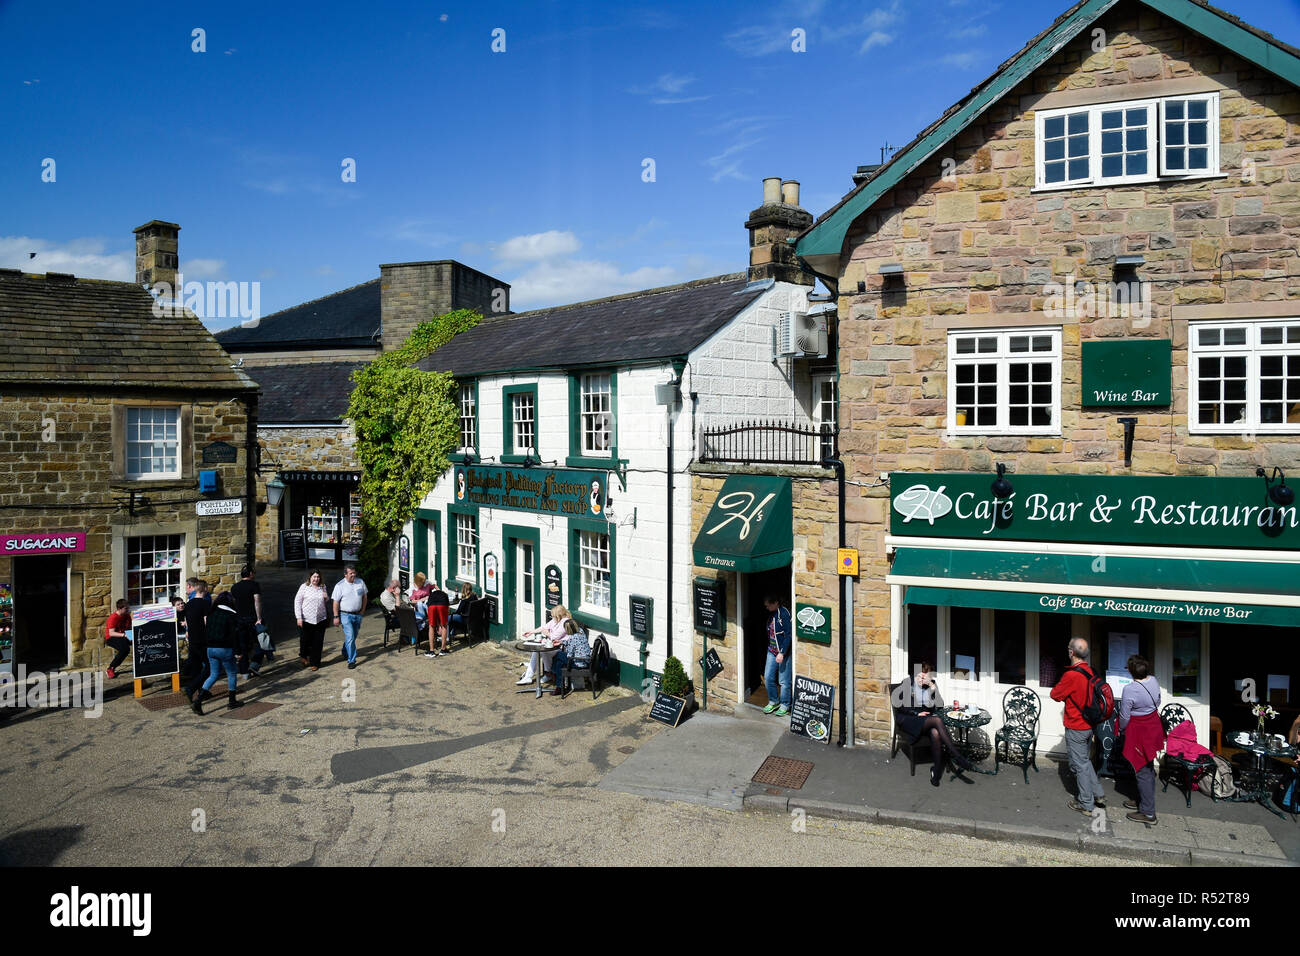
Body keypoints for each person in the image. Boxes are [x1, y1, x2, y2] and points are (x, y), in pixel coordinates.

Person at [1050, 637, 1107, 817]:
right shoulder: (1090, 671)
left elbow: (1055, 694)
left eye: (1069, 648)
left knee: (1080, 765)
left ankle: (1086, 803)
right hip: (1089, 724)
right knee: (1085, 761)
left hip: (1076, 725)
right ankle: (1098, 794)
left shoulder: (1072, 675)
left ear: (1071, 652)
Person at [893, 667, 976, 787]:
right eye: (919, 676)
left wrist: (933, 688)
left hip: (925, 720)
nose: (921, 679)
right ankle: (957, 756)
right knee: (937, 720)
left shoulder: (931, 685)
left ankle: (936, 773)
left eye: (925, 677)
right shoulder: (907, 683)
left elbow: (940, 706)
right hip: (909, 719)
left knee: (935, 733)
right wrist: (916, 713)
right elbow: (899, 706)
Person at [1118, 654, 1164, 827]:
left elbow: (1124, 716)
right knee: (1148, 766)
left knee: (1142, 770)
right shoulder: (1154, 680)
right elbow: (1158, 701)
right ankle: (1143, 800)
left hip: (1139, 730)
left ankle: (1148, 812)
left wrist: (1121, 729)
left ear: (1131, 672)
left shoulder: (1130, 689)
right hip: (1153, 725)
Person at [192, 591, 242, 714]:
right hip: (225, 649)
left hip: (210, 649)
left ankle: (198, 701)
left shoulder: (211, 613)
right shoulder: (231, 615)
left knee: (213, 675)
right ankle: (232, 701)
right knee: (232, 673)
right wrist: (238, 652)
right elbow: (234, 636)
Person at [517, 605, 570, 686]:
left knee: (543, 652)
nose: (552, 618)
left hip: (561, 648)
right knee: (536, 651)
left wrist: (547, 633)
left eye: (554, 616)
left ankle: (548, 673)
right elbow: (544, 627)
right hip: (552, 646)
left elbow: (555, 637)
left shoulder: (565, 622)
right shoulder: (555, 620)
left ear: (558, 616)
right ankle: (529, 676)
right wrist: (531, 632)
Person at [231, 565, 268, 678]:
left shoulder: (234, 587)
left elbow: (234, 603)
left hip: (239, 619)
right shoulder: (254, 585)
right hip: (252, 619)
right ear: (251, 574)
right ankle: (254, 665)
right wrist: (259, 618)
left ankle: (244, 673)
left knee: (243, 645)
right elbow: (257, 601)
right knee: (263, 642)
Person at [180, 581, 212, 703]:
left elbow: (187, 622)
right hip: (203, 640)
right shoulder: (205, 604)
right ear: (204, 589)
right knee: (210, 667)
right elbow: (207, 622)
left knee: (196, 668)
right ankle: (191, 688)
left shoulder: (188, 604)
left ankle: (201, 691)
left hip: (192, 640)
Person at [761, 595, 793, 717]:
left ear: (775, 603)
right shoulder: (772, 614)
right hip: (772, 650)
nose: (766, 607)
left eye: (768, 605)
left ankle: (785, 704)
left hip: (783, 653)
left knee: (784, 681)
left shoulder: (784, 614)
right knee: (768, 677)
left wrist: (782, 652)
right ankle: (774, 701)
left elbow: (788, 635)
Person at [331, 565, 368, 670]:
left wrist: (363, 611)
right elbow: (335, 602)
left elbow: (365, 597)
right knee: (351, 636)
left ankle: (345, 650)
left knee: (352, 637)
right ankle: (351, 660)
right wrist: (336, 616)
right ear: (345, 574)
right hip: (345, 615)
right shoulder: (340, 586)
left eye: (354, 572)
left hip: (358, 614)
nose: (353, 575)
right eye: (351, 573)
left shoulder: (360, 582)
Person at [294, 570, 330, 671]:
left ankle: (315, 663)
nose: (316, 579)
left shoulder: (323, 586)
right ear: (310, 577)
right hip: (306, 619)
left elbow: (326, 600)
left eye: (318, 577)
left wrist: (326, 597)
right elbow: (297, 601)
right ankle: (304, 656)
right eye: (314, 577)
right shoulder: (304, 587)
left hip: (320, 619)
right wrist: (299, 617)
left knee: (318, 642)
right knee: (305, 641)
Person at [550, 618, 591, 697]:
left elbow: (569, 655)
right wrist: (561, 642)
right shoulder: (580, 631)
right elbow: (574, 644)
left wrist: (563, 647)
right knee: (559, 662)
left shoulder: (573, 638)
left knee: (558, 655)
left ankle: (554, 676)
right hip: (585, 660)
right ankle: (558, 684)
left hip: (578, 663)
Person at [104, 599, 132, 679]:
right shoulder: (113, 618)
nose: (128, 610)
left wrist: (131, 636)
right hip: (111, 638)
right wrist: (124, 635)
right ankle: (111, 668)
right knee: (125, 649)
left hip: (124, 635)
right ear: (119, 609)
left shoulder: (127, 616)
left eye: (128, 608)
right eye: (126, 608)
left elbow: (128, 628)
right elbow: (111, 633)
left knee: (139, 641)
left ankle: (142, 664)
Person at [425, 582, 451, 658]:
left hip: (432, 606)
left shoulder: (431, 595)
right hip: (442, 604)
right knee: (444, 626)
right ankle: (443, 649)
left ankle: (431, 651)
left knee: (431, 626)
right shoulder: (444, 595)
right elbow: (448, 609)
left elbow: (428, 608)